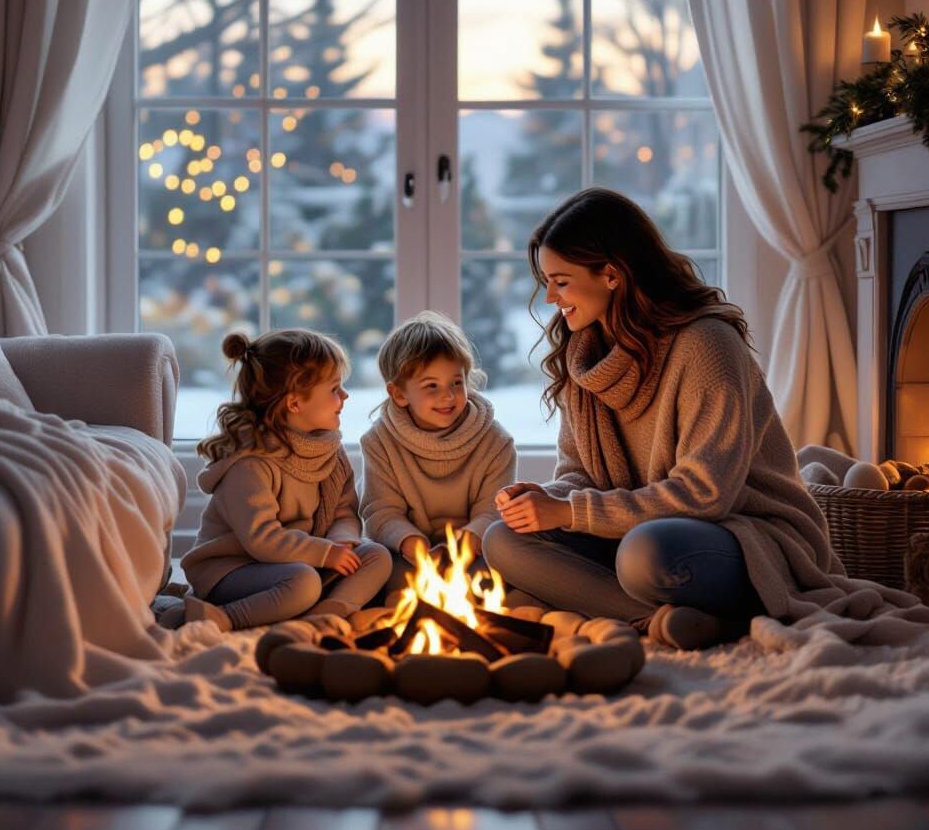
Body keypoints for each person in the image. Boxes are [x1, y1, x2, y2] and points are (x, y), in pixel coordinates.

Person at [483, 188, 841, 650]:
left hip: (746, 535)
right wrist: (544, 499)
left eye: (561, 281)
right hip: (640, 524)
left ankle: (659, 611)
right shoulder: (584, 356)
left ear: (611, 275)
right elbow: (579, 475)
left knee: (644, 556)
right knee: (502, 538)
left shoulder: (707, 345)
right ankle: (670, 620)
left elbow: (706, 494)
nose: (550, 296)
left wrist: (570, 512)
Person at [182, 329, 390, 631]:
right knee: (303, 582)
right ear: (294, 404)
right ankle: (224, 619)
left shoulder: (328, 449)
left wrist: (339, 540)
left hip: (299, 560)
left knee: (375, 555)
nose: (345, 396)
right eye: (334, 388)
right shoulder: (251, 462)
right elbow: (262, 540)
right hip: (234, 568)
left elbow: (344, 511)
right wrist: (323, 553)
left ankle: (323, 616)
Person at [359, 311, 516, 592]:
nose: (448, 395)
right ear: (398, 394)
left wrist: (465, 545)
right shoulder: (379, 443)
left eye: (457, 383)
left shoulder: (495, 441)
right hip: (408, 556)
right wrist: (412, 544)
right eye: (431, 386)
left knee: (506, 564)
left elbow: (493, 510)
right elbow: (381, 512)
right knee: (376, 566)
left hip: (475, 553)